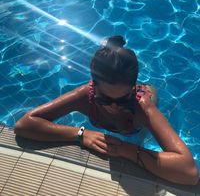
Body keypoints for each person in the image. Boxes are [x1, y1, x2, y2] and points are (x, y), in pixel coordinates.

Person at [14, 35, 199, 185]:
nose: (114, 106)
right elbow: (24, 124)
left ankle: (113, 52)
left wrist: (128, 150)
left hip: (146, 98)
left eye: (123, 99)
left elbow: (189, 172)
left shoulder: (141, 106)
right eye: (104, 99)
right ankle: (110, 48)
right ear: (94, 86)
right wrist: (79, 134)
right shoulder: (85, 96)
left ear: (132, 89)